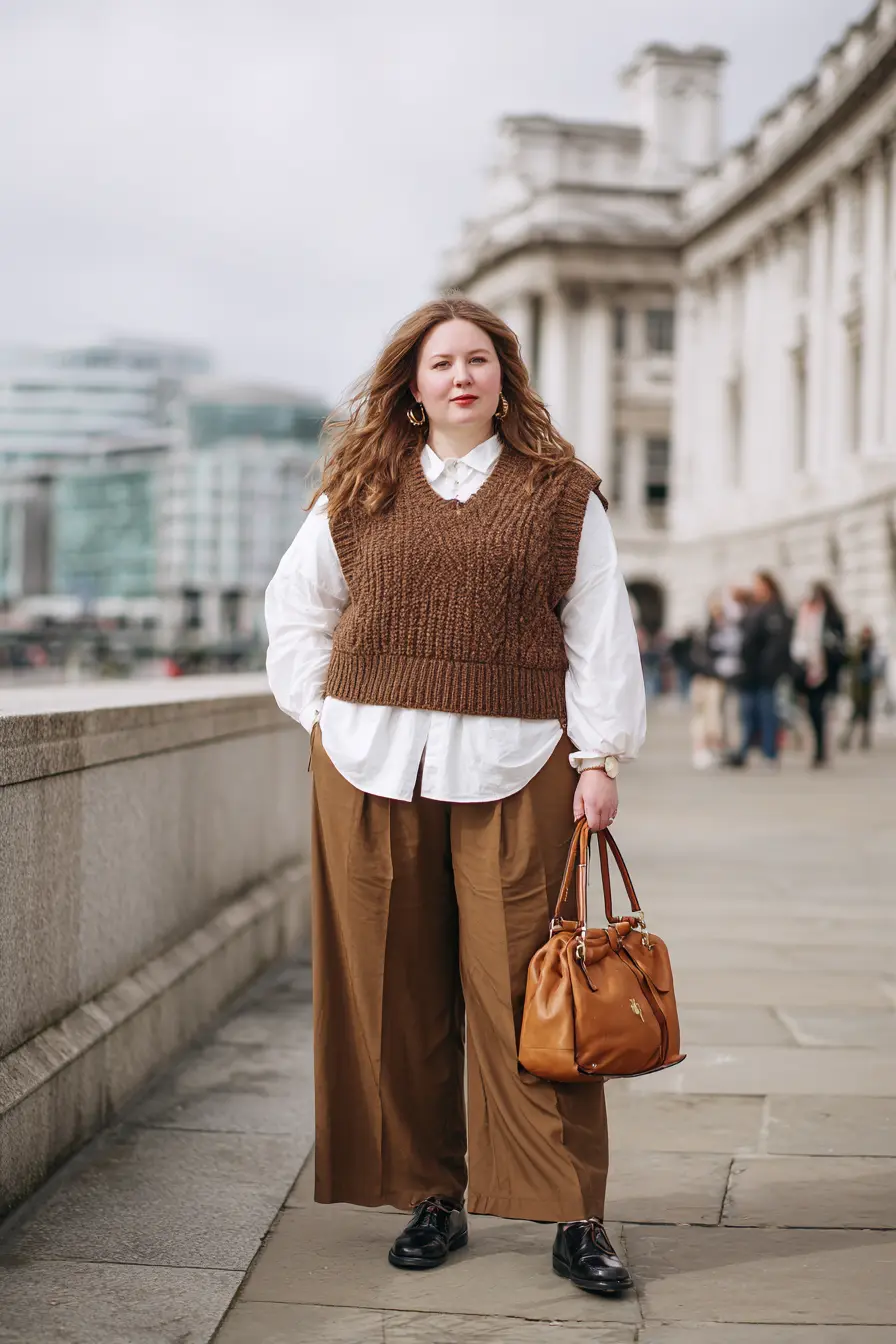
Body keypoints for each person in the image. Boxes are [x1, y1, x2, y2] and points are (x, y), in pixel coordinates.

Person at [265, 297, 647, 1297]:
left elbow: (597, 633)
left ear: (502, 378)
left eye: (477, 360)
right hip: (367, 767)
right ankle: (429, 1195)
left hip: (519, 766)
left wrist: (598, 757)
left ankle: (572, 1214)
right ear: (412, 383)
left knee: (532, 993)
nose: (459, 378)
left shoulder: (561, 493)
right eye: (440, 364)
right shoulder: (358, 487)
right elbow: (296, 614)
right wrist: (328, 718)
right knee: (390, 992)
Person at [727, 572, 792, 770]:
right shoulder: (755, 608)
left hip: (764, 673)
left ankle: (769, 753)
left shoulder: (774, 610)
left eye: (759, 585)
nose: (755, 589)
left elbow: (777, 643)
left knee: (767, 712)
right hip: (749, 672)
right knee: (748, 713)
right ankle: (745, 750)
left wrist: (768, 665)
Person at [791, 582, 846, 768]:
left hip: (824, 670)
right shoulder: (804, 614)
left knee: (818, 708)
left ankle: (820, 749)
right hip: (805, 669)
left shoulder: (832, 616)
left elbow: (841, 644)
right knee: (811, 710)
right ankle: (818, 746)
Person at [688, 602, 727, 768]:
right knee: (706, 716)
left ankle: (711, 749)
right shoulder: (710, 634)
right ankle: (702, 749)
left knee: (713, 717)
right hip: (707, 679)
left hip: (710, 678)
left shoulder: (716, 633)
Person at [840, 624, 879, 751]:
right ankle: (848, 739)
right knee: (855, 714)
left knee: (866, 714)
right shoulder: (857, 649)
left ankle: (864, 739)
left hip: (867, 687)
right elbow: (850, 662)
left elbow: (877, 666)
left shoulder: (873, 649)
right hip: (858, 687)